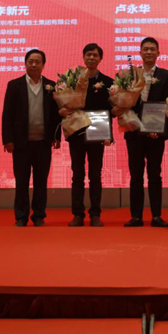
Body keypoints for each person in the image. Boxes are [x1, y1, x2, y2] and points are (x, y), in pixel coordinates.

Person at [1, 49, 62, 227]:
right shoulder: (14, 85)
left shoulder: (51, 86)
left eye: (37, 62)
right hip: (21, 143)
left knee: (41, 182)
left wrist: (56, 136)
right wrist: (8, 139)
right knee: (22, 181)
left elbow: (56, 115)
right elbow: (7, 114)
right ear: (25, 63)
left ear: (43, 65)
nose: (34, 64)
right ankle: (21, 216)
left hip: (43, 143)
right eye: (30, 61)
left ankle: (39, 216)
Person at [122, 37, 168, 227]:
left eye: (153, 49)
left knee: (155, 175)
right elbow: (123, 102)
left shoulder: (166, 76)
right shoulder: (130, 74)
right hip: (134, 133)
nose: (149, 52)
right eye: (146, 49)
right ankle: (136, 216)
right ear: (140, 52)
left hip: (155, 134)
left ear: (158, 53)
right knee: (135, 176)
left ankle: (156, 215)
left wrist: (159, 129)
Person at [61, 43, 114, 227]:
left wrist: (108, 134)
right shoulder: (72, 80)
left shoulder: (108, 82)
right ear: (83, 57)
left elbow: (111, 110)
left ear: (100, 59)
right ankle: (77, 214)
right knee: (77, 175)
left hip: (97, 133)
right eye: (88, 54)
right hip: (76, 132)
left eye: (95, 55)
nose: (91, 58)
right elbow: (65, 104)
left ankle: (95, 214)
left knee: (95, 175)